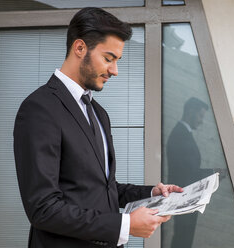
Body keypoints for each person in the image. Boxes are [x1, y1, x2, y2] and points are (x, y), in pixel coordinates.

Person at [13, 7, 182, 248]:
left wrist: (152, 194)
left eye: (116, 61)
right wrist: (124, 226)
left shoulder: (98, 113)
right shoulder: (39, 108)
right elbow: (43, 209)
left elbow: (101, 187)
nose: (114, 70)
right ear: (80, 48)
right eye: (108, 58)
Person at [166, 97, 212, 248]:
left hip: (186, 198)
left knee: (182, 238)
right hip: (184, 198)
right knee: (182, 240)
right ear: (190, 112)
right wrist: (212, 173)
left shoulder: (183, 133)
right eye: (200, 116)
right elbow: (186, 173)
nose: (201, 121)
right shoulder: (181, 136)